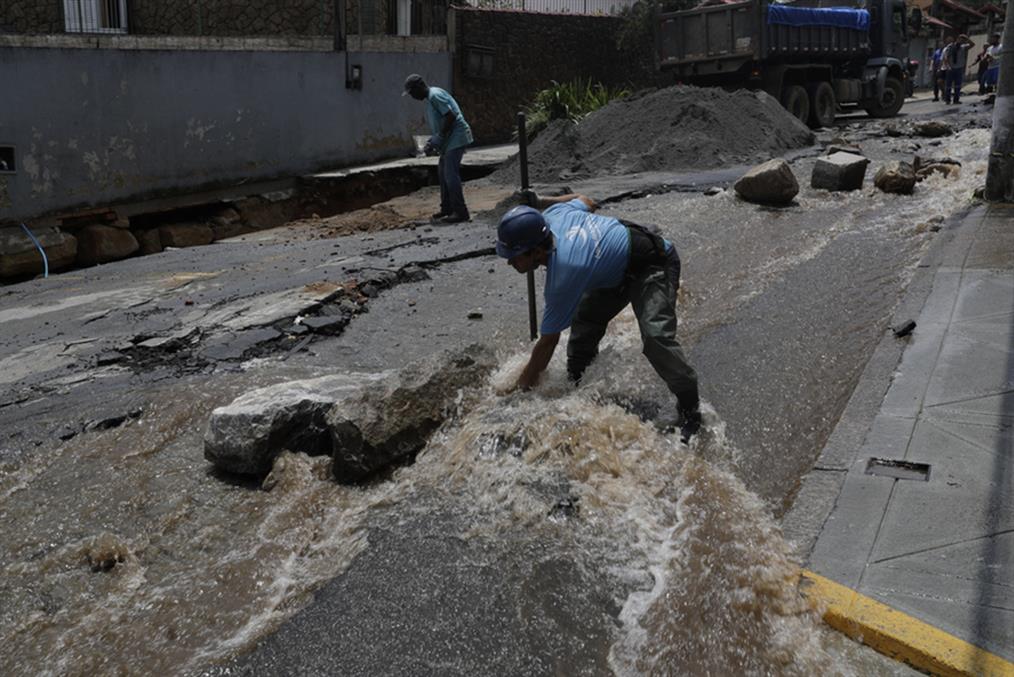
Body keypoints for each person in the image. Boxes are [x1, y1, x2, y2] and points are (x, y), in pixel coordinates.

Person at [495, 193, 702, 444]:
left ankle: (691, 410)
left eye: (513, 256)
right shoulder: (553, 215)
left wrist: (521, 392)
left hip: (653, 263)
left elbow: (547, 343)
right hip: (613, 272)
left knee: (656, 338)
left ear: (536, 251)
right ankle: (577, 384)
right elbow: (587, 200)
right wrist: (542, 200)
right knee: (585, 323)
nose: (509, 263)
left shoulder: (564, 274)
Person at [403, 74, 473, 223]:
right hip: (450, 140)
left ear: (418, 87)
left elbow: (451, 116)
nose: (412, 97)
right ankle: (447, 209)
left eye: (412, 93)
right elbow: (442, 119)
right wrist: (434, 141)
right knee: (442, 173)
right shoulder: (432, 97)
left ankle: (461, 212)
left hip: (457, 137)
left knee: (450, 175)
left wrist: (439, 137)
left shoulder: (434, 96)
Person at [942, 33, 975, 104]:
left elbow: (972, 44)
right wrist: (948, 66)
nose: (961, 41)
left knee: (958, 85)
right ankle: (947, 99)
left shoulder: (963, 47)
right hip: (951, 68)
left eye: (963, 40)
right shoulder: (950, 47)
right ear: (957, 39)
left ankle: (956, 99)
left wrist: (967, 39)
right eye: (960, 39)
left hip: (959, 68)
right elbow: (945, 58)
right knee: (948, 85)